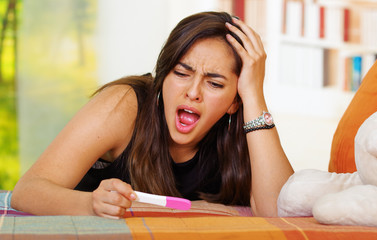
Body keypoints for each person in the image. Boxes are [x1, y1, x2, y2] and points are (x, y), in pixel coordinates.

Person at [11, 11, 293, 219]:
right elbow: (28, 191)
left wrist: (254, 97)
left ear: (235, 100)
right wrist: (91, 204)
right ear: (163, 76)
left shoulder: (244, 124)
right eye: (181, 73)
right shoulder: (124, 105)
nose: (193, 92)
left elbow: (279, 214)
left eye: (215, 84)